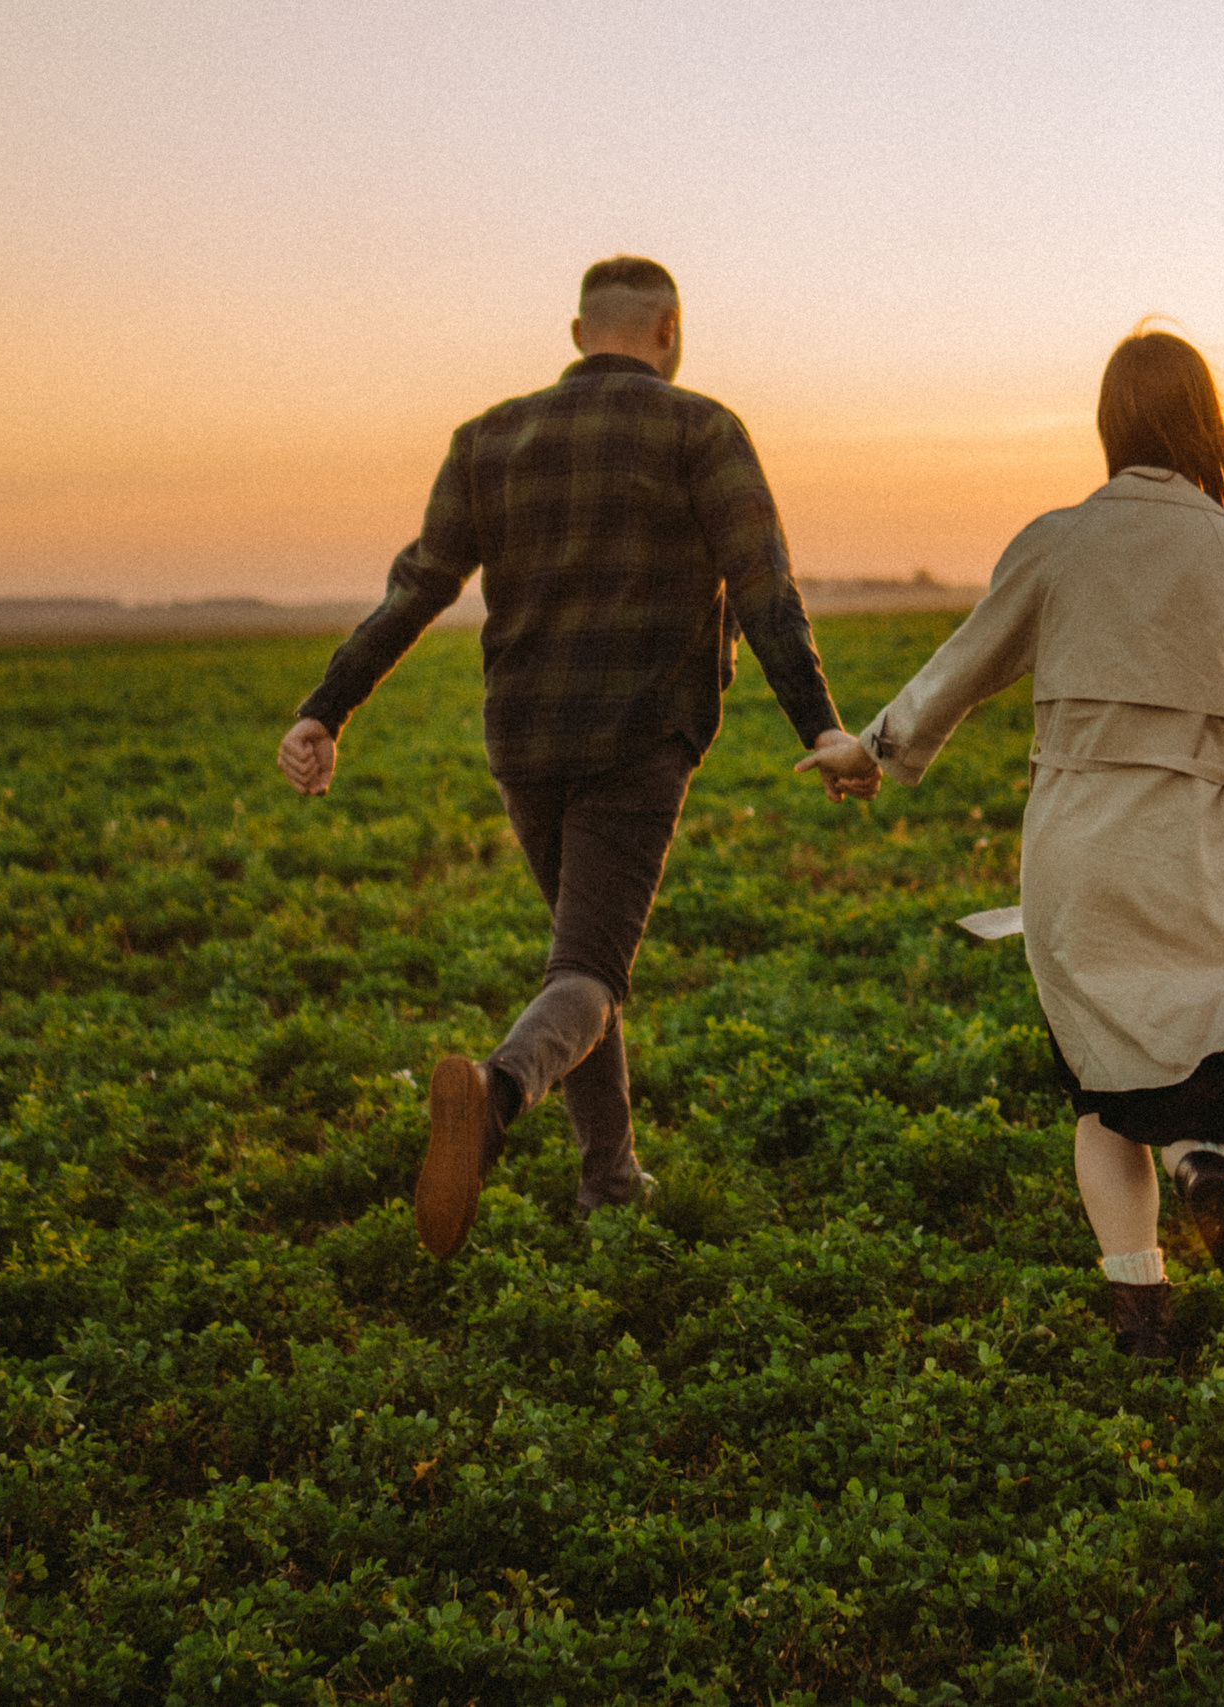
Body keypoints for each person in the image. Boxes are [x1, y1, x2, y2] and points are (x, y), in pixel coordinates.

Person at [277, 256, 882, 1258]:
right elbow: (763, 584)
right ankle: (496, 1094)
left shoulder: (488, 438)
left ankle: (610, 1180)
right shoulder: (701, 429)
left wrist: (325, 710)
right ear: (669, 329)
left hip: (523, 738)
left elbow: (418, 585)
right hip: (639, 734)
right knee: (592, 967)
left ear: (576, 335)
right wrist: (819, 725)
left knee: (582, 955)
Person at [853, 330, 1224, 1359]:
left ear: (1110, 424)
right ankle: (1206, 1163)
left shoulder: (1054, 542)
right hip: (1201, 857)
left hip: (1075, 858)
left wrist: (872, 749)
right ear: (1207, 426)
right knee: (1209, 1050)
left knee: (1107, 1090)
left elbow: (959, 668)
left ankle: (1141, 1311)